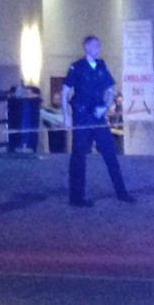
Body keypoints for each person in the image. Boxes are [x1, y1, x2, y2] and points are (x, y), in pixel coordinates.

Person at [61, 36, 135, 207]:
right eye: (95, 45)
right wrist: (66, 115)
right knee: (79, 156)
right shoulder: (77, 67)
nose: (98, 48)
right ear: (86, 48)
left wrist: (106, 107)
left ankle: (122, 193)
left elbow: (110, 90)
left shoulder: (102, 66)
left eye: (99, 45)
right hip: (82, 117)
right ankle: (76, 197)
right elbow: (65, 92)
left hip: (98, 117)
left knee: (110, 154)